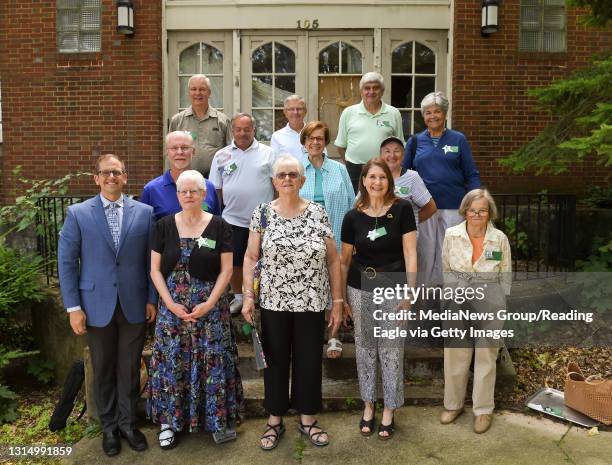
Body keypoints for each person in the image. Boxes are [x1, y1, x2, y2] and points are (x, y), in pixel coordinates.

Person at [242, 156, 343, 451]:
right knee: (274, 363)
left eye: (293, 175)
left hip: (312, 302)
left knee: (309, 361)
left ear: (302, 181)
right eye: (282, 175)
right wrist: (249, 295)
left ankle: (307, 418)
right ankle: (274, 419)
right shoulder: (262, 213)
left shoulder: (318, 213)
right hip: (274, 302)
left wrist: (337, 302)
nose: (287, 179)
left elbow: (334, 260)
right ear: (274, 182)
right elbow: (251, 257)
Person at [58, 154, 157, 457]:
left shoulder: (145, 213)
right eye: (106, 173)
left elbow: (151, 261)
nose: (112, 177)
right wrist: (73, 307)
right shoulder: (78, 214)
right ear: (96, 178)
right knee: (102, 368)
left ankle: (128, 424)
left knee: (129, 368)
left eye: (117, 172)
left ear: (125, 177)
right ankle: (109, 428)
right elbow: (66, 261)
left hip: (134, 303)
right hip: (94, 303)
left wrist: (152, 299)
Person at [147, 169, 243, 448]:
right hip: (172, 307)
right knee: (171, 361)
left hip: (209, 307)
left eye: (194, 191)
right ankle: (169, 422)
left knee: (211, 361)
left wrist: (210, 303)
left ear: (204, 194)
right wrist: (169, 304)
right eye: (182, 191)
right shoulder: (163, 225)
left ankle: (216, 419)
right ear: (177, 195)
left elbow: (227, 271)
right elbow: (154, 270)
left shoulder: (219, 225)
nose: (188, 195)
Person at [340, 157, 417, 440]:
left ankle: (390, 408)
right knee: (365, 348)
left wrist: (411, 291)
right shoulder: (352, 216)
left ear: (389, 181)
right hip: (360, 288)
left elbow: (410, 253)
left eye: (382, 177)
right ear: (363, 181)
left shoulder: (402, 209)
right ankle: (369, 404)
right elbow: (344, 260)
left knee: (391, 348)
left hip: (394, 286)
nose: (377, 182)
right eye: (371, 177)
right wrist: (341, 298)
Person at [440, 189, 511, 434]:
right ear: (465, 211)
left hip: (491, 299)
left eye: (482, 210)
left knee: (485, 356)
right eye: (472, 210)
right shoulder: (452, 234)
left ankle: (482, 410)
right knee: (455, 355)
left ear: (489, 212)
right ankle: (453, 405)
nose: (477, 214)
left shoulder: (499, 238)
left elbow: (505, 273)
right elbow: (446, 268)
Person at [402, 91, 480, 285]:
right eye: (428, 112)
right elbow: (404, 173)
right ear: (423, 116)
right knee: (425, 250)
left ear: (445, 114)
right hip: (425, 206)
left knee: (451, 250)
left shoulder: (458, 139)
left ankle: (450, 295)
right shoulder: (415, 141)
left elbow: (471, 173)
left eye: (437, 111)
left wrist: (477, 200)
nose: (433, 116)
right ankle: (423, 294)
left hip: (453, 205)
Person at [209, 113, 277, 314]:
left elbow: (276, 186)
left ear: (254, 130)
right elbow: (216, 189)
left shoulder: (268, 153)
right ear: (232, 130)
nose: (242, 133)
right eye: (238, 129)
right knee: (234, 261)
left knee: (265, 261)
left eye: (247, 129)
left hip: (264, 221)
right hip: (232, 219)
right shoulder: (221, 155)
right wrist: (220, 214)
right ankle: (239, 296)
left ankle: (264, 297)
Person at [298, 120, 354, 358]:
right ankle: (309, 338)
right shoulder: (297, 169)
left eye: (319, 138)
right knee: (309, 287)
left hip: (337, 236)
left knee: (336, 287)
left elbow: (352, 205)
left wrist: (354, 239)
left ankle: (333, 337)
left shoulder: (340, 170)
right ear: (304, 142)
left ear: (325, 142)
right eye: (311, 138)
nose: (315, 142)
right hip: (304, 239)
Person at [334, 71, 404, 193]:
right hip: (355, 172)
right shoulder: (348, 113)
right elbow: (341, 146)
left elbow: (400, 146)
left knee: (382, 205)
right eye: (367, 88)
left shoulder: (394, 113)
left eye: (375, 88)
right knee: (356, 207)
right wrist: (353, 163)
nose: (371, 92)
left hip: (384, 169)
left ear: (382, 91)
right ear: (361, 91)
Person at [140, 131, 220, 220]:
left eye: (185, 147)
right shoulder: (151, 190)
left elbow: (217, 226)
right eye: (174, 148)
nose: (180, 152)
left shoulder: (208, 187)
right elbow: (145, 229)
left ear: (193, 151)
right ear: (167, 152)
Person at [169, 74, 232, 177]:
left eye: (202, 89)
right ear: (189, 93)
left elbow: (231, 153)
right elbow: (170, 153)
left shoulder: (223, 121)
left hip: (214, 181)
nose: (197, 93)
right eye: (194, 89)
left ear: (209, 92)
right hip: (185, 180)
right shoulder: (177, 120)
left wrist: (226, 179)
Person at [379, 136, 437, 236]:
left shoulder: (412, 177)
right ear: (380, 156)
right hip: (378, 235)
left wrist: (407, 223)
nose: (392, 155)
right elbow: (359, 205)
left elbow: (430, 208)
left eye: (397, 151)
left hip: (404, 238)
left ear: (403, 155)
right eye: (387, 151)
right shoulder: (374, 176)